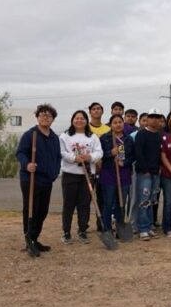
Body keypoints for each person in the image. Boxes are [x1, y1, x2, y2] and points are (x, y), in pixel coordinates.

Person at [15, 104, 62, 257]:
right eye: (42, 115)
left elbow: (57, 158)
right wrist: (27, 164)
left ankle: (34, 238)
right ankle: (28, 239)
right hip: (31, 178)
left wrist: (54, 173)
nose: (45, 118)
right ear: (37, 117)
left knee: (42, 211)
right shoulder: (31, 135)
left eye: (48, 116)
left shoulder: (54, 138)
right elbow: (20, 153)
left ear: (53, 119)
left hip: (47, 179)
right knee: (31, 210)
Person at [58, 109, 102, 244]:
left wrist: (90, 157)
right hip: (70, 175)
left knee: (84, 205)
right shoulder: (65, 136)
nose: (79, 120)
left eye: (82, 118)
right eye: (76, 118)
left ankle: (82, 230)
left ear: (86, 121)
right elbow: (62, 152)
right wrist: (74, 158)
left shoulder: (92, 137)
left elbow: (99, 152)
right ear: (72, 120)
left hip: (87, 175)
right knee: (69, 205)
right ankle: (66, 232)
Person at [98, 114, 135, 248]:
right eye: (115, 122)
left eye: (120, 122)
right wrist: (110, 153)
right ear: (111, 124)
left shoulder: (128, 139)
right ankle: (107, 229)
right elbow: (100, 154)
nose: (118, 124)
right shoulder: (105, 138)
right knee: (108, 204)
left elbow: (133, 156)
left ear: (123, 123)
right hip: (108, 174)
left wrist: (124, 163)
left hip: (123, 174)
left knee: (121, 203)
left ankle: (120, 228)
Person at [131, 108, 163, 240]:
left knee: (151, 201)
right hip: (144, 174)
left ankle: (149, 226)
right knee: (143, 201)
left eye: (157, 117)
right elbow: (138, 153)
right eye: (152, 117)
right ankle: (142, 228)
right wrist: (145, 170)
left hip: (156, 173)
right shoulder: (141, 134)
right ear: (147, 119)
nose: (154, 120)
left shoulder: (160, 135)